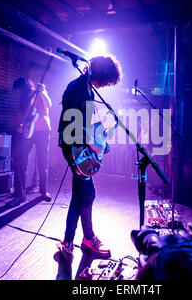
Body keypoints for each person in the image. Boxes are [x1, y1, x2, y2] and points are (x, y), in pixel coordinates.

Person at [57, 56, 122, 259]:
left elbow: (85, 122)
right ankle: (87, 238)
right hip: (73, 148)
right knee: (88, 193)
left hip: (80, 146)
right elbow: (70, 125)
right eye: (107, 80)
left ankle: (69, 241)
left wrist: (99, 138)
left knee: (80, 195)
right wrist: (90, 143)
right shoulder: (77, 88)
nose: (106, 85)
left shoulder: (87, 89)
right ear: (102, 74)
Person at [8, 77, 52, 207]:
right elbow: (26, 115)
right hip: (28, 132)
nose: (19, 91)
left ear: (26, 85)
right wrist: (21, 126)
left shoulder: (39, 91)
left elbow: (49, 104)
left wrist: (43, 92)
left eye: (20, 89)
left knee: (42, 161)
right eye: (18, 90)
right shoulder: (23, 98)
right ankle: (20, 195)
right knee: (20, 161)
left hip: (43, 130)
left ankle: (44, 191)